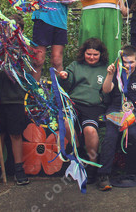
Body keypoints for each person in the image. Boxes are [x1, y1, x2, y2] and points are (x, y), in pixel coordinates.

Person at [97, 45, 136, 191]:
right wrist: (109, 75)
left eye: (131, 62)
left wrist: (133, 105)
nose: (128, 65)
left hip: (134, 112)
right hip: (115, 111)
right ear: (120, 61)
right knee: (110, 137)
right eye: (125, 62)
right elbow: (106, 90)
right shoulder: (116, 73)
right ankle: (104, 175)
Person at [0, 14, 29, 186]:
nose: (9, 31)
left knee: (15, 134)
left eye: (13, 28)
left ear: (20, 30)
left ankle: (19, 169)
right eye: (7, 27)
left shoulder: (22, 49)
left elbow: (18, 72)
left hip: (14, 98)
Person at [58, 38, 109, 182]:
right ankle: (78, 152)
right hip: (75, 103)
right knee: (66, 123)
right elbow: (66, 85)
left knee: (90, 130)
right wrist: (64, 77)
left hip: (94, 106)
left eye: (95, 54)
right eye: (89, 54)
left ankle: (92, 163)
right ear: (83, 53)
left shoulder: (105, 69)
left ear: (101, 54)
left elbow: (108, 92)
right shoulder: (75, 66)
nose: (91, 57)